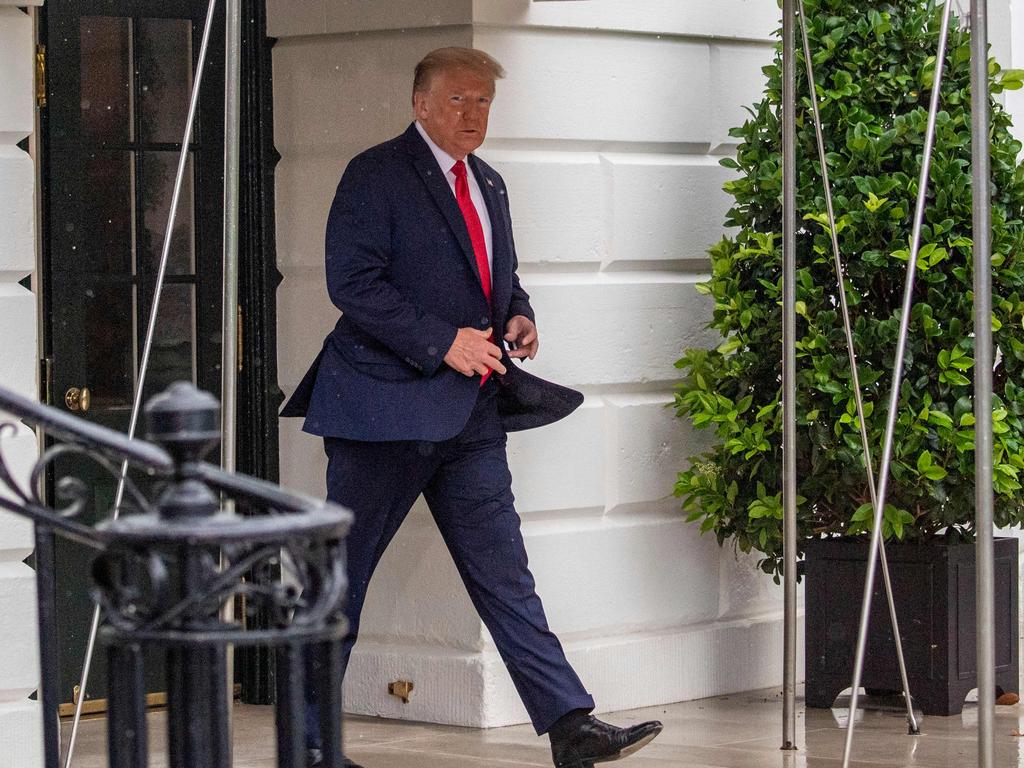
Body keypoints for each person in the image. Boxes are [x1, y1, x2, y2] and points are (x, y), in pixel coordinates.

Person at [281, 47, 662, 768]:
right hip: (380, 417)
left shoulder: (489, 182)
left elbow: (499, 280)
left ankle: (570, 726)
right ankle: (306, 745)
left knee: (506, 575)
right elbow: (353, 283)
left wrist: (518, 315)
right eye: (458, 100)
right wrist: (442, 343)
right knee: (341, 580)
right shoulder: (375, 174)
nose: (473, 114)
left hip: (471, 417)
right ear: (420, 101)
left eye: (483, 101)